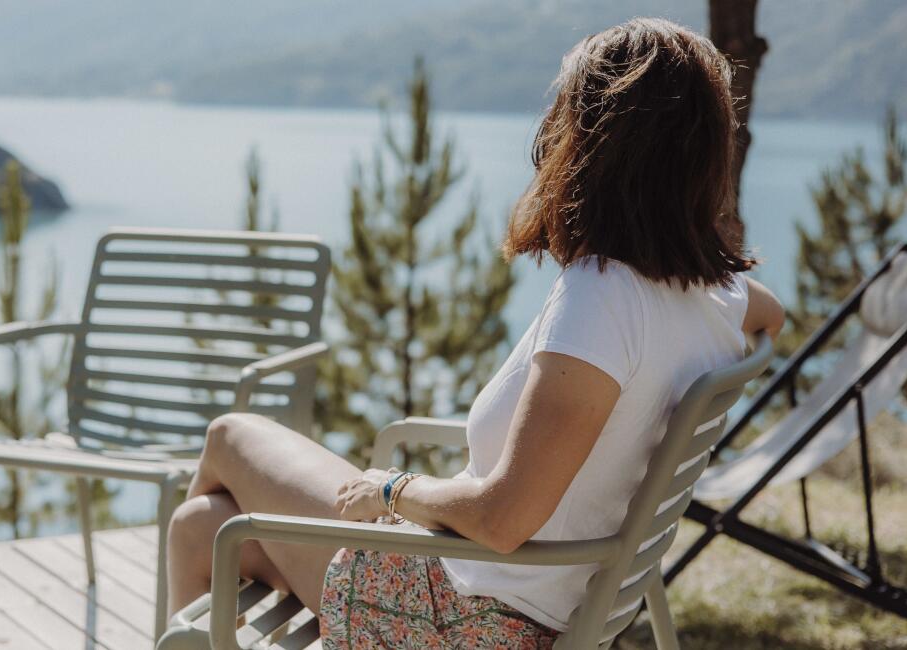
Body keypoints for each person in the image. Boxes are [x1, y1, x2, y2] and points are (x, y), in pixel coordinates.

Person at [167, 17, 785, 649]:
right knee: (198, 525)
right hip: (523, 602)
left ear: (591, 145)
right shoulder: (715, 296)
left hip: (465, 618)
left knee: (229, 435)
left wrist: (393, 489)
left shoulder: (604, 297)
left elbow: (503, 519)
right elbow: (772, 315)